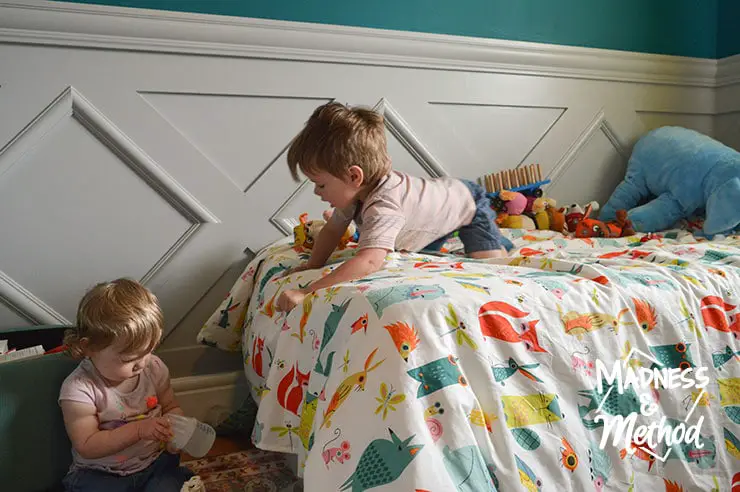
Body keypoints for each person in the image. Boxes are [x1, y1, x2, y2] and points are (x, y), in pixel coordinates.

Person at [276, 102, 511, 313]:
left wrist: (307, 292)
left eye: (321, 185)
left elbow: (369, 262)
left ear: (354, 176)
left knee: (490, 262)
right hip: (426, 219)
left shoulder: (384, 205)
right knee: (417, 244)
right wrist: (311, 266)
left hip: (467, 202)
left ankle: (501, 240)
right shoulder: (356, 193)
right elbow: (332, 230)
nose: (317, 193)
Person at [58, 278, 194, 491]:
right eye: (128, 359)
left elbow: (170, 407)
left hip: (155, 464)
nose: (141, 364)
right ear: (89, 348)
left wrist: (175, 433)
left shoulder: (154, 368)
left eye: (148, 352)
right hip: (101, 474)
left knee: (170, 483)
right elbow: (87, 445)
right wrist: (138, 430)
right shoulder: (79, 389)